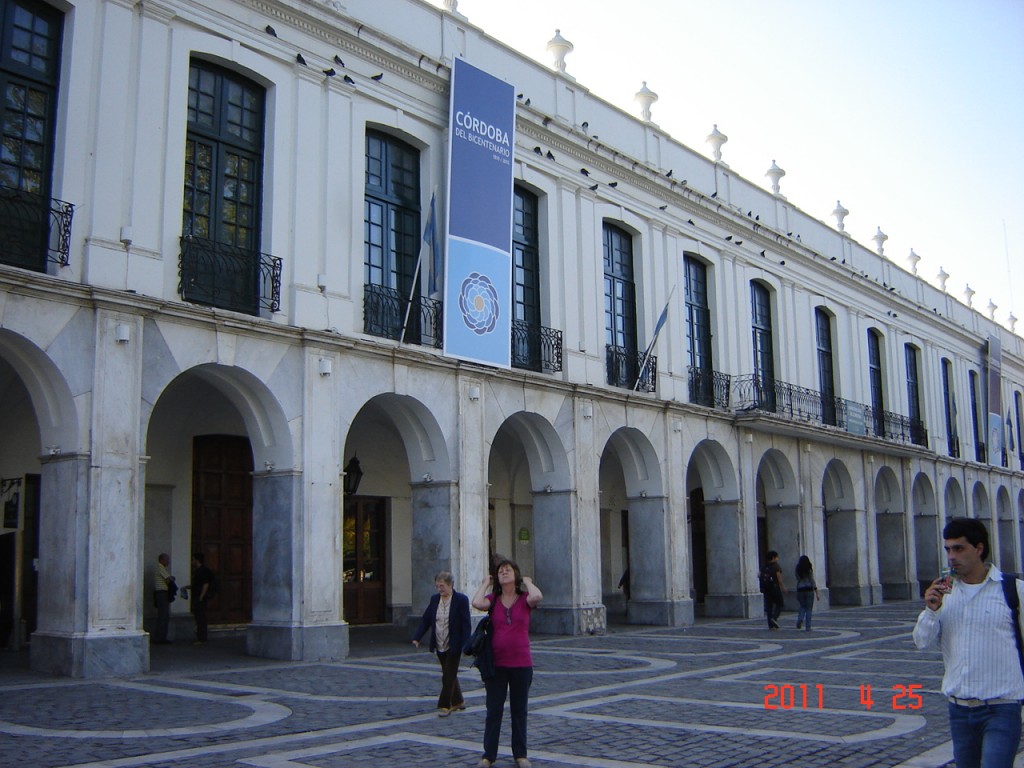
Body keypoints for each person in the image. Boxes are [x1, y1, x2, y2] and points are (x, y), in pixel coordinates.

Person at [913, 517, 1024, 768]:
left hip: (1001, 708)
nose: (951, 556)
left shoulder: (1013, 590)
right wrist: (931, 610)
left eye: (959, 548)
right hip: (960, 710)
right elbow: (921, 642)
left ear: (979, 548)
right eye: (948, 549)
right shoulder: (945, 594)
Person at [472, 557, 543, 768]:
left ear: (516, 575)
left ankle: (520, 755)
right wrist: (485, 582)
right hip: (497, 664)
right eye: (500, 570)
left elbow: (538, 596)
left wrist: (528, 581)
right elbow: (476, 603)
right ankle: (488, 755)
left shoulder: (525, 600)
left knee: (519, 711)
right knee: (494, 710)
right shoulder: (492, 599)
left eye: (508, 570)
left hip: (521, 663)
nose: (504, 572)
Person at [412, 571, 471, 716]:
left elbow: (466, 624)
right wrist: (417, 637)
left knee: (448, 675)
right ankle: (458, 701)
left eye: (442, 586)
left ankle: (445, 705)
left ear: (450, 585)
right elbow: (426, 619)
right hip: (439, 641)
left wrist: (466, 644)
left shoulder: (461, 600)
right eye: (437, 586)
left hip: (454, 643)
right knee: (448, 672)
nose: (439, 589)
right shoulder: (434, 600)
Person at [189, 553, 214, 645]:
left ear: (197, 560)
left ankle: (202, 638)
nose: (192, 561)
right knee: (199, 617)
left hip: (200, 598)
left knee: (201, 618)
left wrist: (201, 597)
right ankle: (200, 637)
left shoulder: (203, 571)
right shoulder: (198, 570)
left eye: (193, 559)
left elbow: (205, 584)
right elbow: (198, 585)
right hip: (197, 596)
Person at [153, 553, 175, 644]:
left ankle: (162, 637)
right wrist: (171, 578)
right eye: (167, 560)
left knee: (164, 615)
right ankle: (160, 638)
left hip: (162, 593)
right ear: (162, 560)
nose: (168, 562)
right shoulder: (160, 567)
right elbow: (168, 579)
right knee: (163, 616)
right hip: (162, 593)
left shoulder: (161, 568)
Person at [760, 550, 786, 630]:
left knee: (769, 607)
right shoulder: (776, 566)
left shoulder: (764, 567)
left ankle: (770, 625)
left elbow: (760, 577)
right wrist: (783, 587)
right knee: (780, 604)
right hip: (775, 588)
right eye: (777, 557)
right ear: (774, 557)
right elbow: (779, 578)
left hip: (767, 589)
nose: (777, 559)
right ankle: (774, 618)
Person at [794, 555, 819, 631]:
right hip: (809, 589)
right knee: (809, 609)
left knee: (802, 606)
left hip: (800, 589)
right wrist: (816, 590)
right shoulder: (809, 569)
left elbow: (797, 578)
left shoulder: (798, 569)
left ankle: (800, 619)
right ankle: (808, 626)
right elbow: (812, 580)